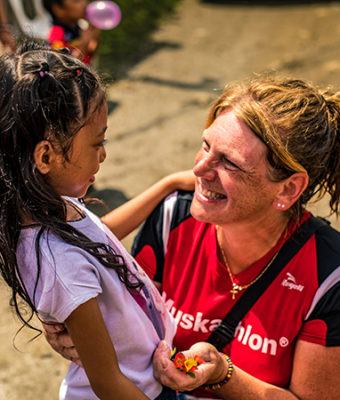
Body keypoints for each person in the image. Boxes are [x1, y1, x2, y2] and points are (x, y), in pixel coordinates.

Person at [44, 75, 340, 399]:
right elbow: (124, 320)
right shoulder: (172, 218)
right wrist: (71, 329)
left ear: (288, 189)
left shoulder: (329, 273)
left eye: (229, 163)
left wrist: (221, 375)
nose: (200, 169)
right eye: (206, 146)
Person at [0, 39, 199, 400]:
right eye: (97, 143)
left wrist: (165, 186)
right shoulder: (59, 262)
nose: (104, 154)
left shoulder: (51, 206)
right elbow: (107, 383)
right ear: (45, 156)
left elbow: (98, 235)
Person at [43, 0, 100, 65]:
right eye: (76, 1)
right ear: (59, 9)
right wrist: (84, 44)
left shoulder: (80, 28)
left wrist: (96, 37)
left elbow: (89, 58)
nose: (84, 3)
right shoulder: (56, 33)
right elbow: (63, 64)